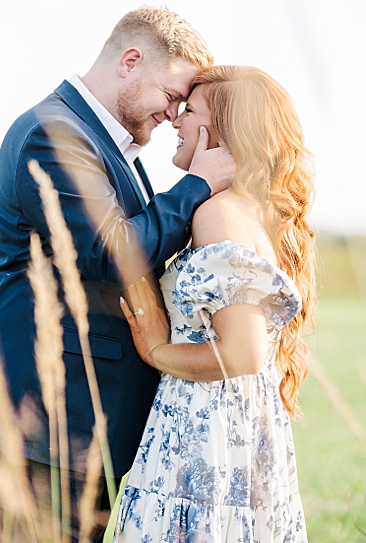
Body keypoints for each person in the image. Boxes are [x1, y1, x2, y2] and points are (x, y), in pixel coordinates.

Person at [0, 6, 237, 542]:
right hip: (37, 421)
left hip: (78, 426)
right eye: (172, 96)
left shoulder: (108, 146)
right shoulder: (52, 133)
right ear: (131, 61)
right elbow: (114, 252)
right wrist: (198, 184)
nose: (174, 115)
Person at [113, 66, 313, 541]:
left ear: (220, 130)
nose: (176, 121)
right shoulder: (247, 210)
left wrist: (157, 353)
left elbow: (244, 353)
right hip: (236, 433)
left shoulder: (218, 214)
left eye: (190, 111)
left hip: (205, 438)